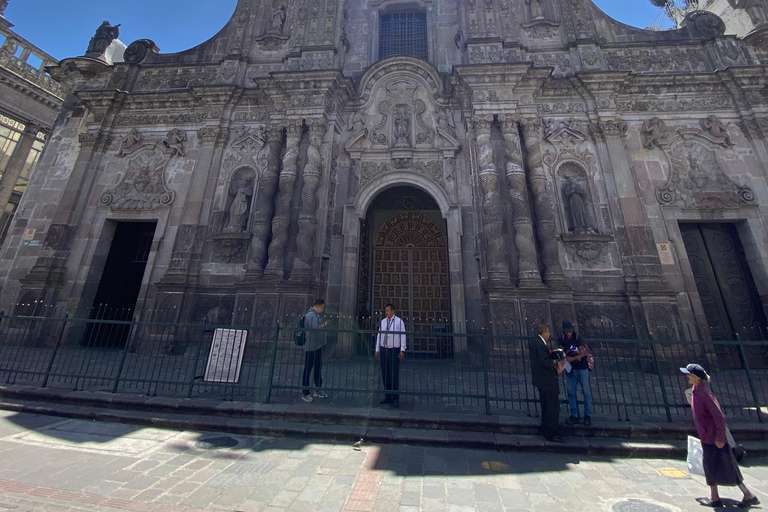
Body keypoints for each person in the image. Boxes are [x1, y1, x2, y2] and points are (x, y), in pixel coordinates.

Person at [680, 364, 759, 508]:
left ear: (696, 377)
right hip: (707, 435)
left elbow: (719, 417)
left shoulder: (704, 393)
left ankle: (718, 497)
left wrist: (720, 437)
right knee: (721, 465)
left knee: (714, 466)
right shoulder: (696, 390)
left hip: (713, 438)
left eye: (689, 374)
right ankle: (746, 494)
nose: (687, 376)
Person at [529, 323, 567, 443]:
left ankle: (545, 428)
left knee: (546, 405)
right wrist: (557, 363)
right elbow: (544, 361)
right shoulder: (539, 344)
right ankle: (552, 432)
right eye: (548, 332)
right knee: (552, 406)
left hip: (542, 379)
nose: (549, 334)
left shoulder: (535, 341)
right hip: (546, 379)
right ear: (544, 333)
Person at [560, 320, 593, 427]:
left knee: (586, 392)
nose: (568, 333)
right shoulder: (562, 339)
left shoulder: (578, 338)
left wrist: (573, 358)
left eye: (569, 331)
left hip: (582, 368)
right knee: (571, 393)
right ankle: (574, 415)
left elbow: (582, 353)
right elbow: (561, 352)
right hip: (571, 369)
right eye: (566, 331)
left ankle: (587, 415)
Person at [375, 304, 406, 408]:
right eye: (385, 311)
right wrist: (377, 349)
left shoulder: (399, 322)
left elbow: (403, 335)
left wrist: (402, 349)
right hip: (384, 350)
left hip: (394, 350)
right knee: (385, 374)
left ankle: (395, 397)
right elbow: (379, 335)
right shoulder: (383, 322)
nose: (386, 312)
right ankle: (387, 396)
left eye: (388, 310)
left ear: (393, 311)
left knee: (393, 374)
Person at [301, 299, 331, 403]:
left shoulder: (316, 315)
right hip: (311, 347)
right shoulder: (311, 315)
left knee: (318, 367)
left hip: (317, 346)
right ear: (317, 306)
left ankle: (318, 389)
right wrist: (324, 325)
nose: (322, 310)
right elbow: (315, 328)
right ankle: (305, 392)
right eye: (322, 308)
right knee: (308, 369)